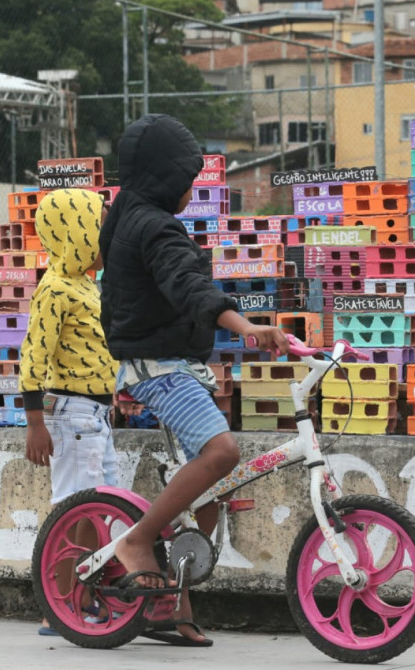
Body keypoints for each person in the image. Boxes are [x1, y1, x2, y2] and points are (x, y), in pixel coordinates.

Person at [99, 113, 289, 648]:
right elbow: (187, 285)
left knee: (211, 490)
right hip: (157, 367)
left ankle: (172, 603)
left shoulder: (133, 214)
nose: (191, 188)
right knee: (222, 454)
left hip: (171, 361)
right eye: (187, 178)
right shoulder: (153, 225)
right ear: (165, 179)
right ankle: (136, 542)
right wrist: (246, 326)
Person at [18, 187, 119, 637]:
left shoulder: (84, 284)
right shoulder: (55, 288)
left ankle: (81, 597)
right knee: (75, 512)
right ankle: (59, 608)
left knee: (100, 509)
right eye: (100, 230)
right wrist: (36, 425)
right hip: (72, 415)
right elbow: (33, 356)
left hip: (94, 415)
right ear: (76, 234)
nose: (106, 241)